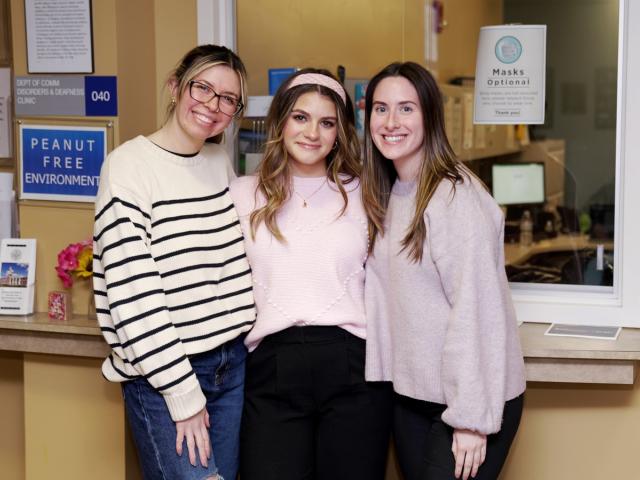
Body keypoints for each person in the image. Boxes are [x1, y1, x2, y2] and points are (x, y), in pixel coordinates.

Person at [93, 45, 255, 480]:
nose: (212, 105)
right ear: (175, 86)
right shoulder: (128, 167)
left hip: (230, 364)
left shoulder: (218, 162)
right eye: (202, 88)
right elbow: (134, 296)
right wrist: (183, 395)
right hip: (168, 375)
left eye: (227, 99)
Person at [362, 61, 526, 480]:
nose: (390, 122)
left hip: (470, 402)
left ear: (430, 116)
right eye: (380, 109)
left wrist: (470, 419)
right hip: (414, 396)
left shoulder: (454, 196)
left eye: (406, 108)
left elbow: (477, 311)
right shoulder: (392, 190)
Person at [229, 68, 393, 480]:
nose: (312, 133)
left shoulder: (367, 193)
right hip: (271, 369)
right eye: (301, 117)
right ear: (281, 120)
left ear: (340, 132)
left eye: (327, 122)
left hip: (354, 369)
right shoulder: (242, 194)